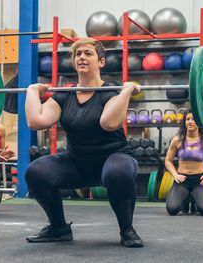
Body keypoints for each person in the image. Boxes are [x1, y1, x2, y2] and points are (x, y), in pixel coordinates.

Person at [24, 38, 143, 247]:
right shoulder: (65, 95)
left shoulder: (109, 91)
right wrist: (32, 91)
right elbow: (36, 121)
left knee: (117, 172)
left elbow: (109, 123)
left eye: (88, 53)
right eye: (77, 54)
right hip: (77, 163)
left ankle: (127, 230)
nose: (81, 57)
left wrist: (125, 91)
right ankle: (58, 229)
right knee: (35, 172)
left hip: (115, 159)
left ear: (101, 62)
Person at [164, 110, 203, 216]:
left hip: (199, 181)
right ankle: (185, 199)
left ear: (199, 122)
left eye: (193, 119)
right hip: (182, 180)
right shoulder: (177, 140)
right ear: (185, 122)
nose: (190, 122)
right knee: (172, 209)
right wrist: (175, 175)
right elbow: (168, 161)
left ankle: (195, 200)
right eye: (188, 119)